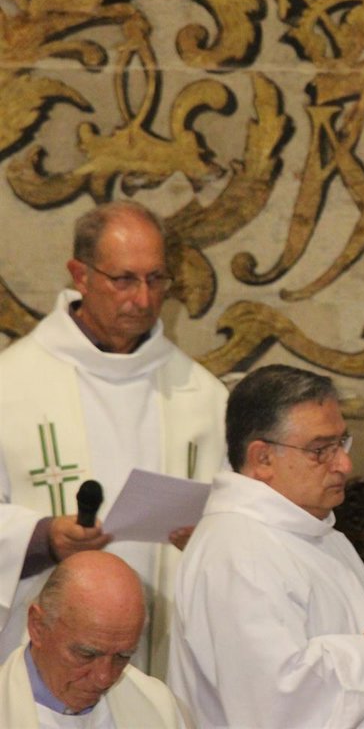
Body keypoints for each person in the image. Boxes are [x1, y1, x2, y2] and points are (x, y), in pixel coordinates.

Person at [0, 201, 228, 676]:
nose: (142, 299)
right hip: (41, 650)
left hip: (166, 649)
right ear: (80, 275)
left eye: (155, 279)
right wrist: (44, 537)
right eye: (124, 280)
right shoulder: (10, 384)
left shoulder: (203, 396)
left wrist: (209, 539)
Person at [169, 364, 364, 728]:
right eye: (320, 450)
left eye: (341, 442)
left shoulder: (313, 532)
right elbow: (271, 702)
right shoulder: (238, 552)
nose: (344, 464)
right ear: (262, 458)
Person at [0, 550, 184, 728]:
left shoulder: (158, 707)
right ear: (38, 626)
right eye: (86, 654)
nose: (104, 678)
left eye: (122, 656)